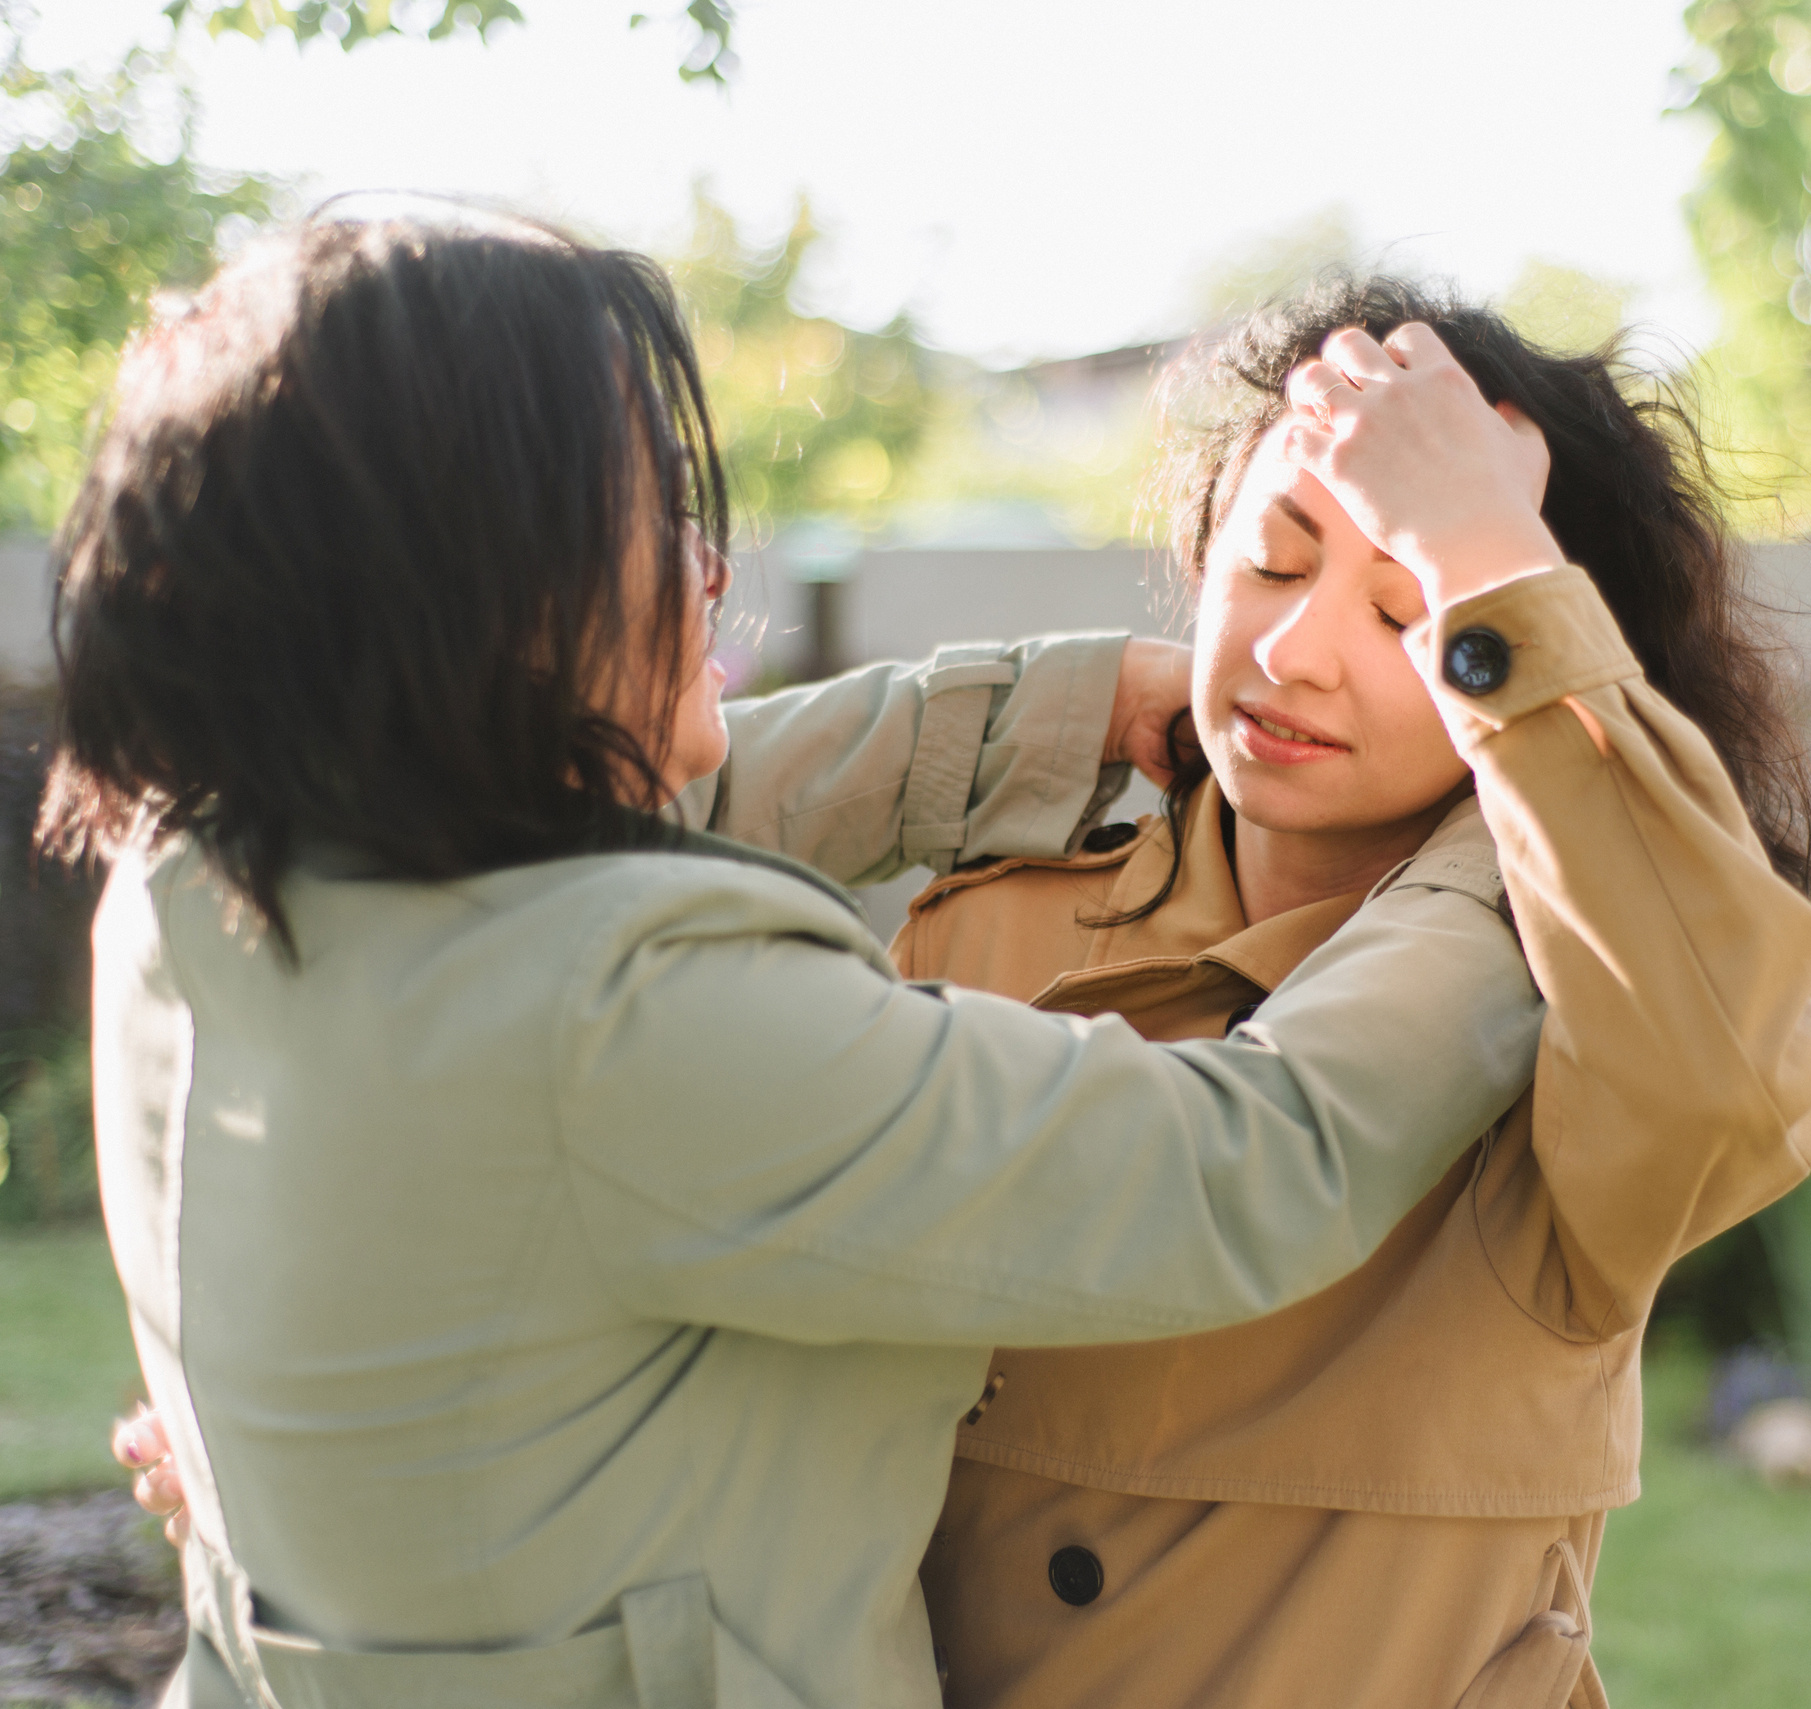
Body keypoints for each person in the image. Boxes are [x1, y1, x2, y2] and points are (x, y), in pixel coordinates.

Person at [50, 216, 1572, 1709]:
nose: (710, 568)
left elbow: (578, 810)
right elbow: (1242, 1167)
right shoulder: (630, 1016)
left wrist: (1053, 715)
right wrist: (1500, 848)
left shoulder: (195, 876)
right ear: (490, 584)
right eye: (652, 515)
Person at [897, 277, 1811, 1709]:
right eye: (1271, 567)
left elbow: (1726, 1071)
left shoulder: (1584, 1010)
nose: (1296, 653)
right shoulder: (989, 928)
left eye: (1412, 608)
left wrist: (1483, 542)